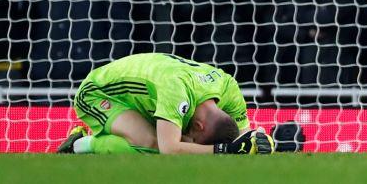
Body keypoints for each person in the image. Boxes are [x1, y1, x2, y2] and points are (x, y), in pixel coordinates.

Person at [56, 53, 273, 155]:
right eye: (196, 139)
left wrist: (263, 142)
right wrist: (222, 151)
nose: (191, 140)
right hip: (98, 92)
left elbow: (245, 136)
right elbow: (170, 149)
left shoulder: (229, 88)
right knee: (151, 145)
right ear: (199, 127)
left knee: (164, 142)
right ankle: (80, 145)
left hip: (142, 96)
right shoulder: (176, 90)